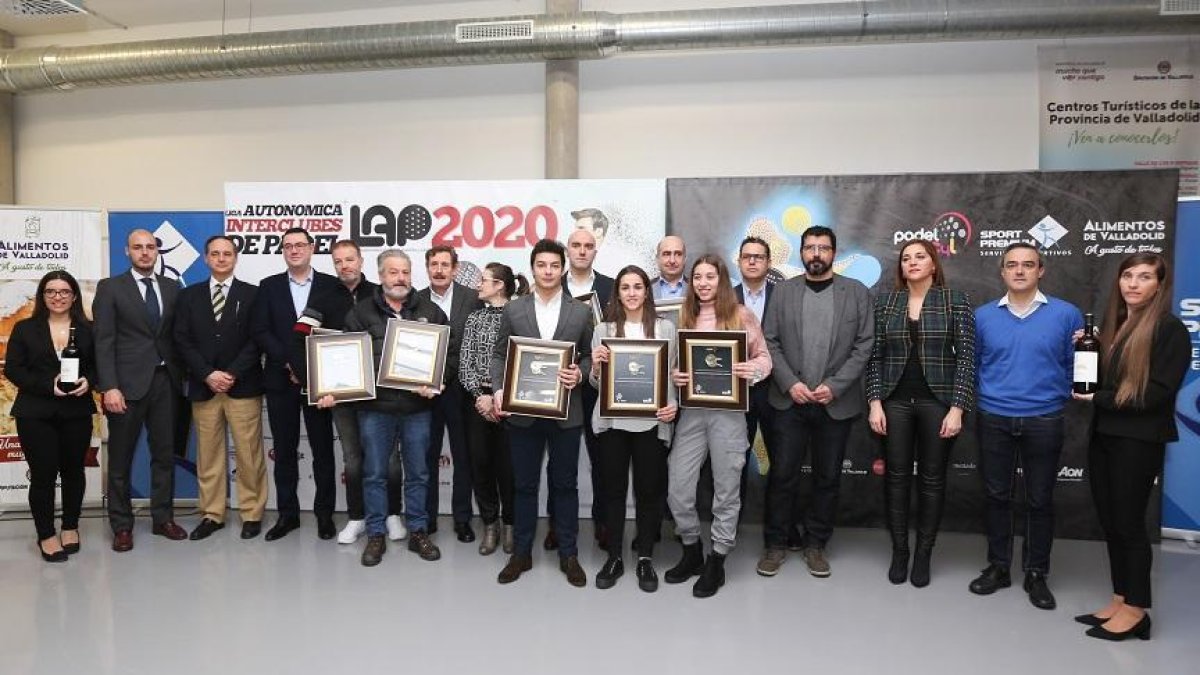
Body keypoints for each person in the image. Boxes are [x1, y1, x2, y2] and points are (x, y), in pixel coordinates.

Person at [1072, 253, 1189, 641]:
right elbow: (1110, 382)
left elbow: (1155, 394)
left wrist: (1098, 399)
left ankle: (1137, 611)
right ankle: (1121, 598)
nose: (1133, 284)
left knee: (1129, 526)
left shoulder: (1169, 329)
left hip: (1137, 442)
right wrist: (1088, 350)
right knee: (1112, 523)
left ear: (1160, 284)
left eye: (1144, 277)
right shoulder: (1120, 327)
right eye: (1127, 276)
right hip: (1105, 437)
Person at [969, 243, 1083, 609]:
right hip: (993, 416)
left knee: (1039, 501)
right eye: (1012, 265)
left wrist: (1050, 397)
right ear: (1002, 272)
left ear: (1041, 270)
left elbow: (1075, 366)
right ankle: (999, 567)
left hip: (1044, 419)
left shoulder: (1067, 315)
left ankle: (1036, 573)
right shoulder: (982, 316)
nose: (1019, 271)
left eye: (1028, 265)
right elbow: (973, 367)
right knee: (997, 497)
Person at [759, 226, 872, 578]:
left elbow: (864, 344)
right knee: (782, 476)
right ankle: (776, 544)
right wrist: (790, 383)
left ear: (834, 253)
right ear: (801, 253)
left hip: (834, 404)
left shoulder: (856, 293)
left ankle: (816, 544)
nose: (816, 254)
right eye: (810, 248)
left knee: (827, 478)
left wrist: (835, 386)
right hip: (789, 402)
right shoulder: (783, 293)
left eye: (823, 248)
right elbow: (770, 341)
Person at [865, 239, 975, 587]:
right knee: (896, 479)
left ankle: (924, 553)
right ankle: (900, 551)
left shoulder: (954, 300)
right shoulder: (886, 303)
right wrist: (874, 402)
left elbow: (967, 359)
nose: (912, 262)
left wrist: (957, 408)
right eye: (906, 258)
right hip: (894, 401)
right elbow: (875, 357)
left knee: (932, 480)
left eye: (920, 257)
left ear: (933, 264)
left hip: (938, 404)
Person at [331, 249, 448, 566]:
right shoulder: (362, 313)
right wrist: (332, 386)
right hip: (376, 408)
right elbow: (345, 358)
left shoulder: (430, 311)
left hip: (417, 409)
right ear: (381, 275)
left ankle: (418, 532)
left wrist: (436, 382)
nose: (400, 278)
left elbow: (446, 356)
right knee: (374, 473)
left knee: (419, 473)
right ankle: (376, 534)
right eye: (393, 272)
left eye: (405, 272)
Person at [666, 254, 771, 598]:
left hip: (729, 414)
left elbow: (764, 359)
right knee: (679, 488)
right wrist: (676, 376)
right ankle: (693, 550)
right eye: (697, 277)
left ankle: (718, 560)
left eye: (710, 276)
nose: (703, 283)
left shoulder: (740, 315)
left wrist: (750, 370)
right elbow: (671, 363)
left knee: (727, 489)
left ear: (721, 280)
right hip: (692, 413)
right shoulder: (683, 315)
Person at [490, 239, 593, 587]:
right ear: (532, 268)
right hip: (523, 413)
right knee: (524, 485)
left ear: (562, 268)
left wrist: (579, 372)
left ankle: (569, 553)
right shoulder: (514, 310)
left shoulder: (580, 311)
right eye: (541, 265)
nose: (547, 271)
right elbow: (499, 356)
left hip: (566, 412)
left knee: (565, 485)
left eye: (553, 265)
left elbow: (591, 356)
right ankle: (521, 553)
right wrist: (500, 389)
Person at [307, 240, 405, 546]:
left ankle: (391, 514)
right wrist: (317, 385)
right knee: (352, 460)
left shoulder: (380, 293)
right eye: (338, 261)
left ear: (361, 261)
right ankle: (357, 517)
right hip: (342, 394)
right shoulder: (322, 297)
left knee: (388, 460)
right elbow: (302, 337)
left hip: (380, 395)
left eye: (350, 259)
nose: (345, 265)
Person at [93, 228, 186, 552]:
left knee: (164, 455)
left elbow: (177, 337)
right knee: (120, 460)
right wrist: (110, 387)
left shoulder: (173, 288)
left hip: (166, 383)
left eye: (150, 247)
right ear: (127, 252)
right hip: (126, 386)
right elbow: (102, 341)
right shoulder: (110, 288)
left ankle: (163, 519)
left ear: (157, 250)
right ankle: (121, 526)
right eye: (138, 247)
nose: (145, 252)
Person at [589, 265, 678, 592]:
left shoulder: (666, 329)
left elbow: (675, 376)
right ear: (618, 293)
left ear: (646, 291)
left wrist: (675, 404)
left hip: (653, 423)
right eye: (625, 287)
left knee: (648, 492)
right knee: (613, 491)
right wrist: (596, 366)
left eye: (637, 286)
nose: (631, 292)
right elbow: (596, 384)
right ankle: (613, 556)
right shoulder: (604, 330)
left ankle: (644, 558)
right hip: (614, 422)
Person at [173, 235, 268, 541]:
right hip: (205, 388)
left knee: (249, 454)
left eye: (227, 254)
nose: (222, 258)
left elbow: (258, 340)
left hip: (243, 386)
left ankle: (252, 513)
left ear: (235, 258)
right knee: (209, 454)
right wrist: (207, 374)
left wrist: (230, 373)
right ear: (206, 258)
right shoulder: (189, 296)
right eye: (215, 254)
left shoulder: (254, 295)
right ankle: (212, 514)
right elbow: (182, 340)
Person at [250, 227, 340, 541]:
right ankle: (288, 516)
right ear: (283, 251)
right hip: (280, 379)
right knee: (284, 451)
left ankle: (325, 516)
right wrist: (291, 362)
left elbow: (339, 331)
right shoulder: (269, 286)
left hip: (320, 382)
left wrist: (308, 368)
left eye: (299, 244)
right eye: (287, 246)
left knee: (323, 450)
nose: (294, 250)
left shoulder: (331, 285)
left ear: (312, 248)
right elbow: (261, 331)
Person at [4, 271, 96, 562]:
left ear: (74, 296)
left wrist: (89, 382)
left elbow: (99, 365)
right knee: (43, 476)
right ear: (43, 296)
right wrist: (48, 386)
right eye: (51, 291)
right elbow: (13, 369)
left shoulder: (88, 329)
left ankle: (70, 526)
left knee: (73, 471)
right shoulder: (24, 328)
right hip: (35, 413)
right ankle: (45, 533)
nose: (58, 297)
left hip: (77, 411)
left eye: (64, 291)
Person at [459, 263, 527, 555]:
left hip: (511, 404)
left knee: (510, 469)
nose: (478, 285)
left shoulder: (521, 316)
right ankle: (490, 524)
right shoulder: (474, 318)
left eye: (484, 280)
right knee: (481, 464)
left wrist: (502, 398)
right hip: (479, 405)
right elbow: (465, 363)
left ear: (500, 285)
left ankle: (511, 524)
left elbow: (525, 362)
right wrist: (481, 396)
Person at [416, 245, 483, 542]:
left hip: (461, 391)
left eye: (445, 264)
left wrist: (447, 377)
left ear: (456, 269)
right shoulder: (415, 300)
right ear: (427, 267)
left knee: (463, 456)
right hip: (424, 392)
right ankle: (427, 519)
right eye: (434, 264)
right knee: (426, 457)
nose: (439, 270)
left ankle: (462, 519)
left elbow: (474, 343)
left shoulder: (473, 299)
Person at [564, 227, 615, 549]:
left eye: (588, 246)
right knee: (562, 462)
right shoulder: (550, 284)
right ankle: (560, 523)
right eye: (576, 245)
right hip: (562, 386)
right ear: (567, 250)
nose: (582, 251)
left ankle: (604, 523)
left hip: (598, 385)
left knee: (603, 461)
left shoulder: (610, 287)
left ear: (595, 251)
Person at [733, 236, 776, 521]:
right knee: (734, 461)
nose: (752, 261)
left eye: (758, 257)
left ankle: (781, 527)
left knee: (783, 461)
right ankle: (731, 523)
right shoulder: (725, 299)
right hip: (736, 391)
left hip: (777, 389)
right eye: (747, 256)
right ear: (738, 261)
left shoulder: (785, 296)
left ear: (769, 263)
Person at [651, 235, 688, 300]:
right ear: (657, 259)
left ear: (685, 259)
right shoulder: (646, 288)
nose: (672, 261)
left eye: (678, 254)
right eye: (666, 254)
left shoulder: (695, 287)